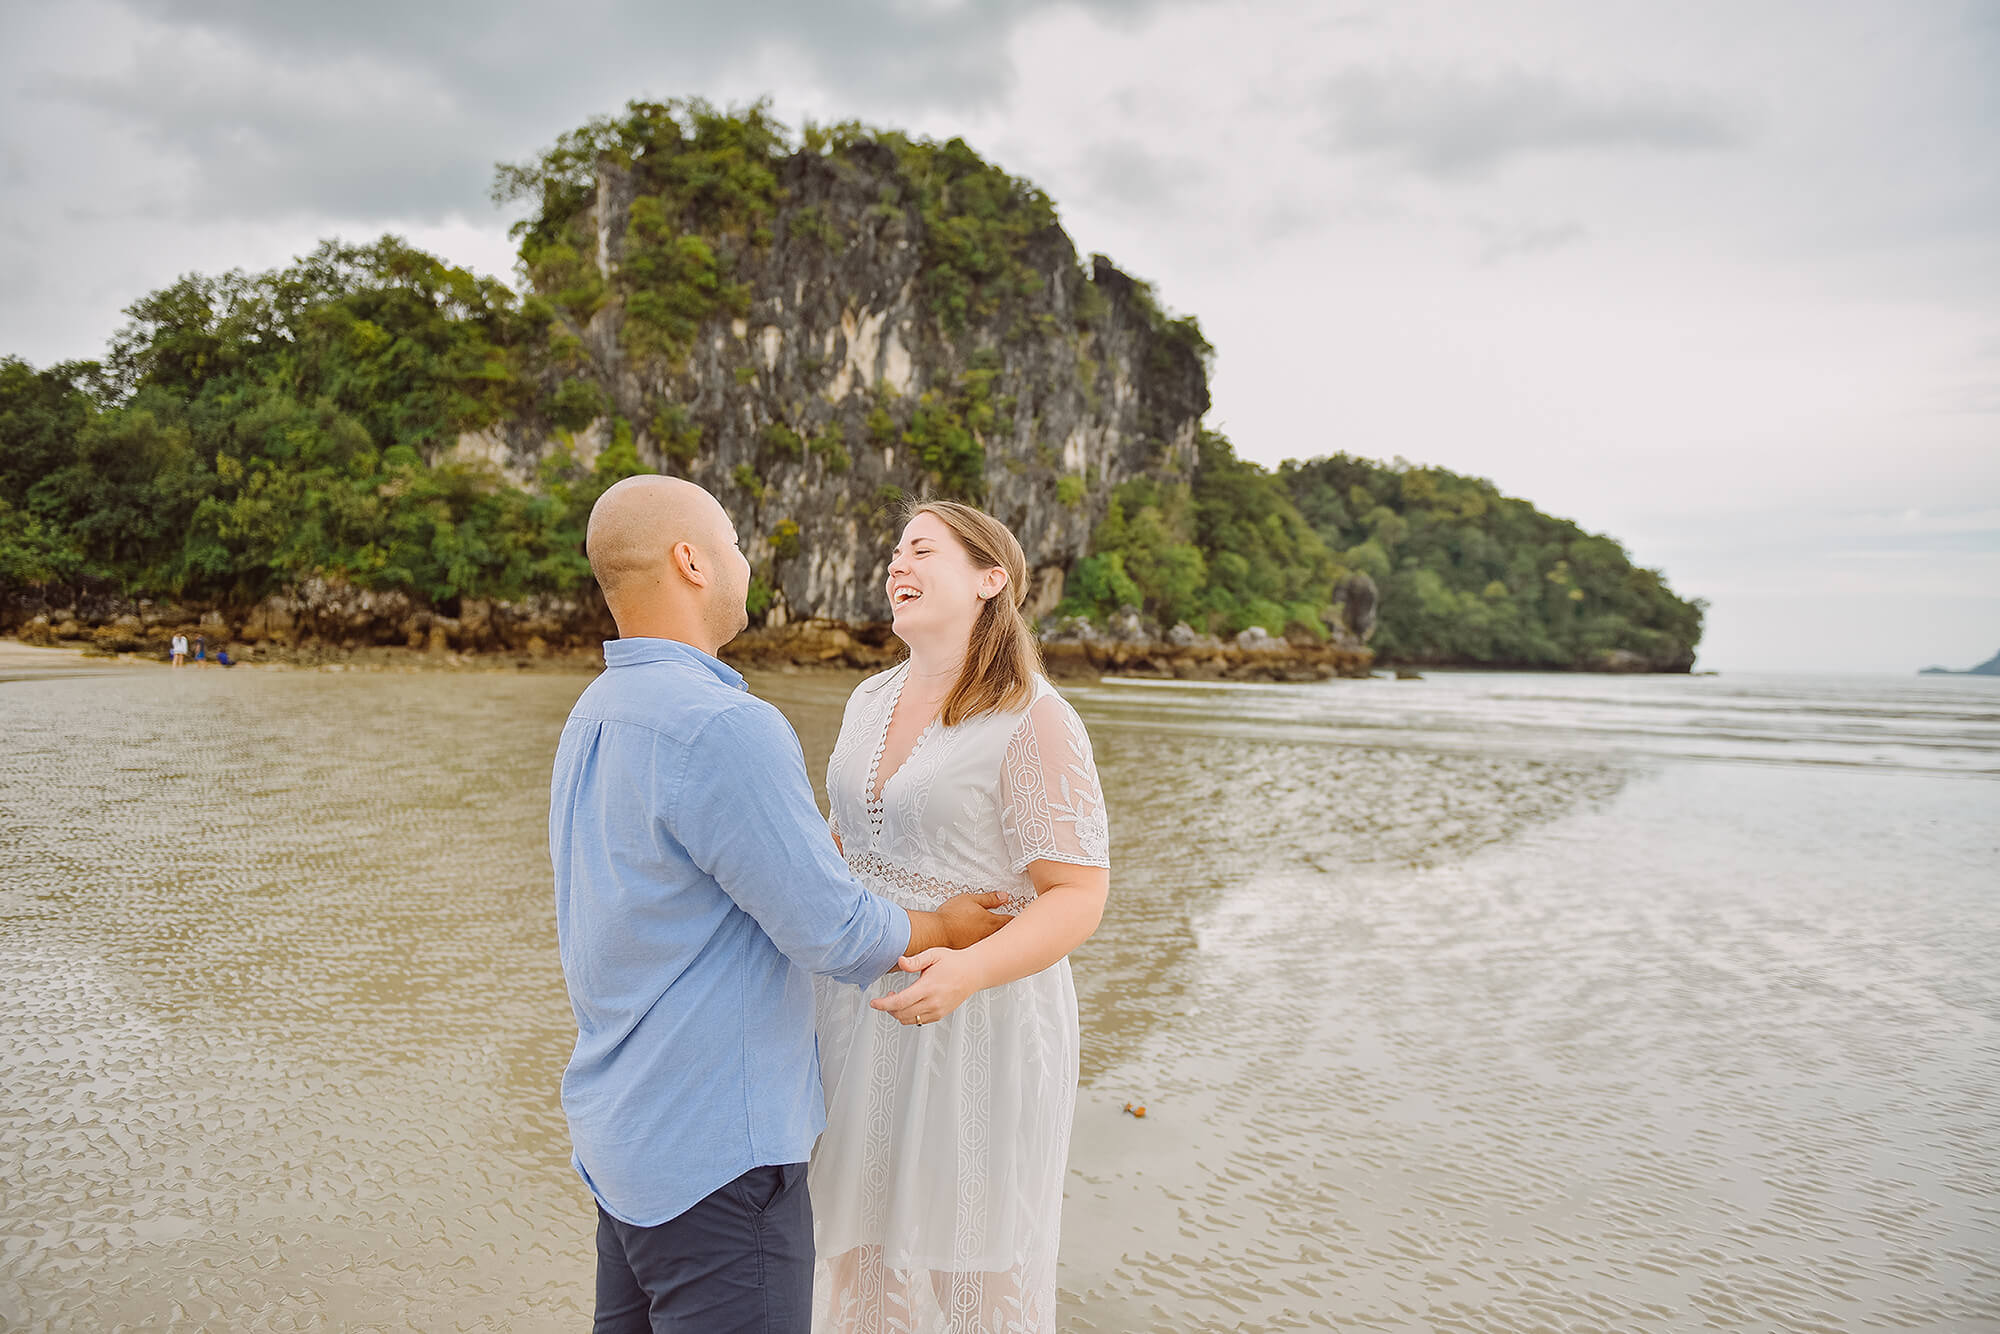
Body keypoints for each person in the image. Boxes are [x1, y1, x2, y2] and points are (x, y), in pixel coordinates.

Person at [547, 475, 1011, 1334]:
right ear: (691, 561)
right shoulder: (723, 725)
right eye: (731, 542)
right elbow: (833, 928)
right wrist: (947, 927)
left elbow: (662, 886)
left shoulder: (597, 711)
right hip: (715, 1154)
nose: (744, 561)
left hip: (625, 1144)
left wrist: (799, 857)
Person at [811, 501, 1111, 1333]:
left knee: (964, 1264)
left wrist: (970, 967)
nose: (896, 565)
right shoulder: (868, 698)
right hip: (853, 1004)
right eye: (893, 551)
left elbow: (1080, 893)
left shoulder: (1032, 716)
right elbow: (841, 849)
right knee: (849, 1247)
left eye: (920, 549)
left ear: (991, 579)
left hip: (978, 1021)